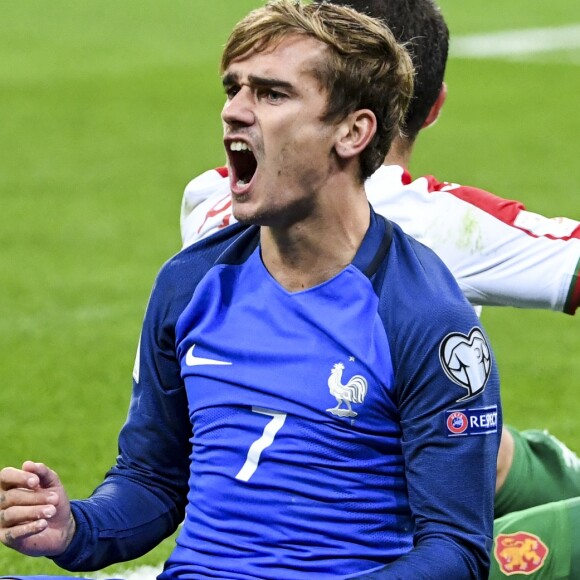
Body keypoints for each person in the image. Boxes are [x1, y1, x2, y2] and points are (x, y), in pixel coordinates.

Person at [0, 1, 502, 577]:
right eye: (233, 89)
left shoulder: (426, 318)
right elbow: (152, 481)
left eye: (271, 94)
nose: (235, 112)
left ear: (353, 131)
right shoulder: (190, 283)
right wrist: (72, 527)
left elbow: (455, 551)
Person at [180, 0, 580, 522]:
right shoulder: (433, 223)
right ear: (432, 106)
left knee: (456, 421)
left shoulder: (211, 197)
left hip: (238, 500)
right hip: (377, 532)